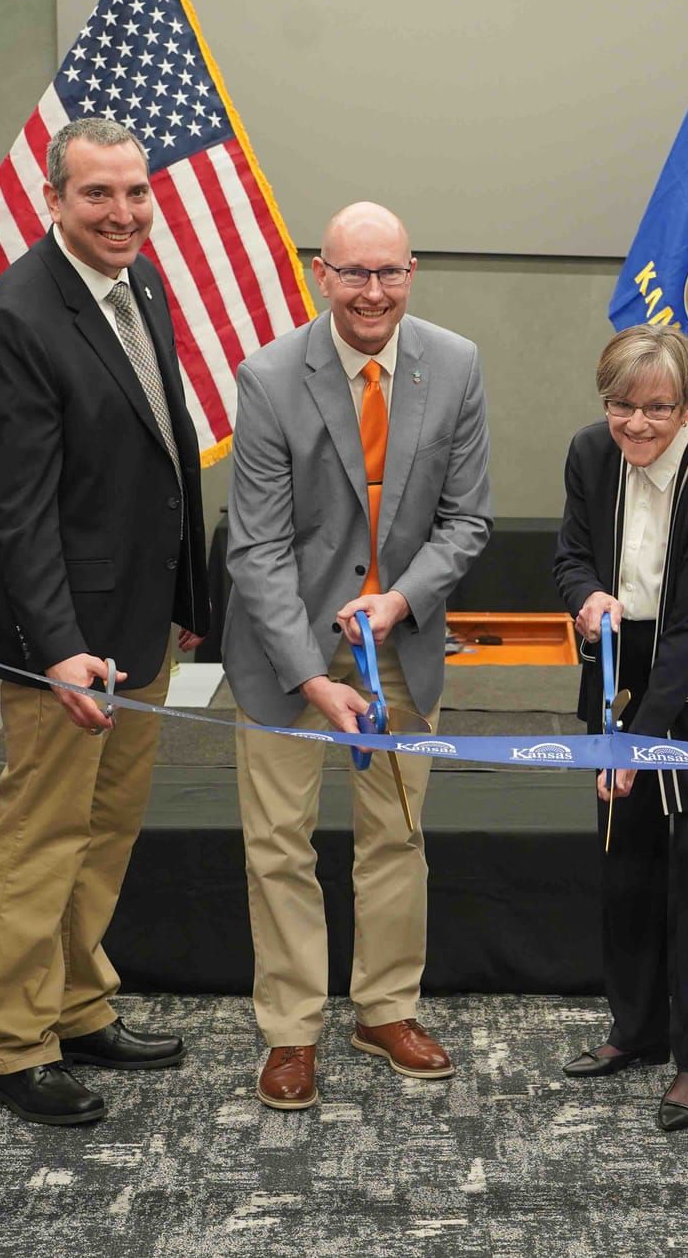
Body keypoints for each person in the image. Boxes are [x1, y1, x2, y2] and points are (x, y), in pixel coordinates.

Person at [0, 118, 210, 1126]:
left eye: (135, 193)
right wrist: (60, 649)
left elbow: (164, 458)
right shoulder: (16, 316)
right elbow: (16, 510)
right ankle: (17, 1047)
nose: (122, 213)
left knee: (103, 834)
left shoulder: (140, 283)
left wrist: (190, 603)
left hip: (139, 628)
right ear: (52, 201)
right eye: (97, 195)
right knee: (41, 838)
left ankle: (76, 1003)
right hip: (63, 643)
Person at [221, 201, 492, 1112]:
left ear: (411, 273)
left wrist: (403, 598)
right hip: (282, 650)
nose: (372, 292)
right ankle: (292, 1030)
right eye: (353, 273)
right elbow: (255, 550)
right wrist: (308, 674)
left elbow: (467, 521)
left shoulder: (454, 365)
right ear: (319, 274)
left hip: (402, 649)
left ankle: (385, 1007)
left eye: (389, 273)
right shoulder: (266, 378)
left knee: (397, 837)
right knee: (279, 848)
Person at [551, 324, 688, 1132]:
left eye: (657, 408)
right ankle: (633, 1029)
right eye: (621, 406)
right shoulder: (588, 451)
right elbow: (568, 553)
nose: (637, 425)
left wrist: (638, 747)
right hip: (619, 668)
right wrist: (584, 596)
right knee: (626, 867)